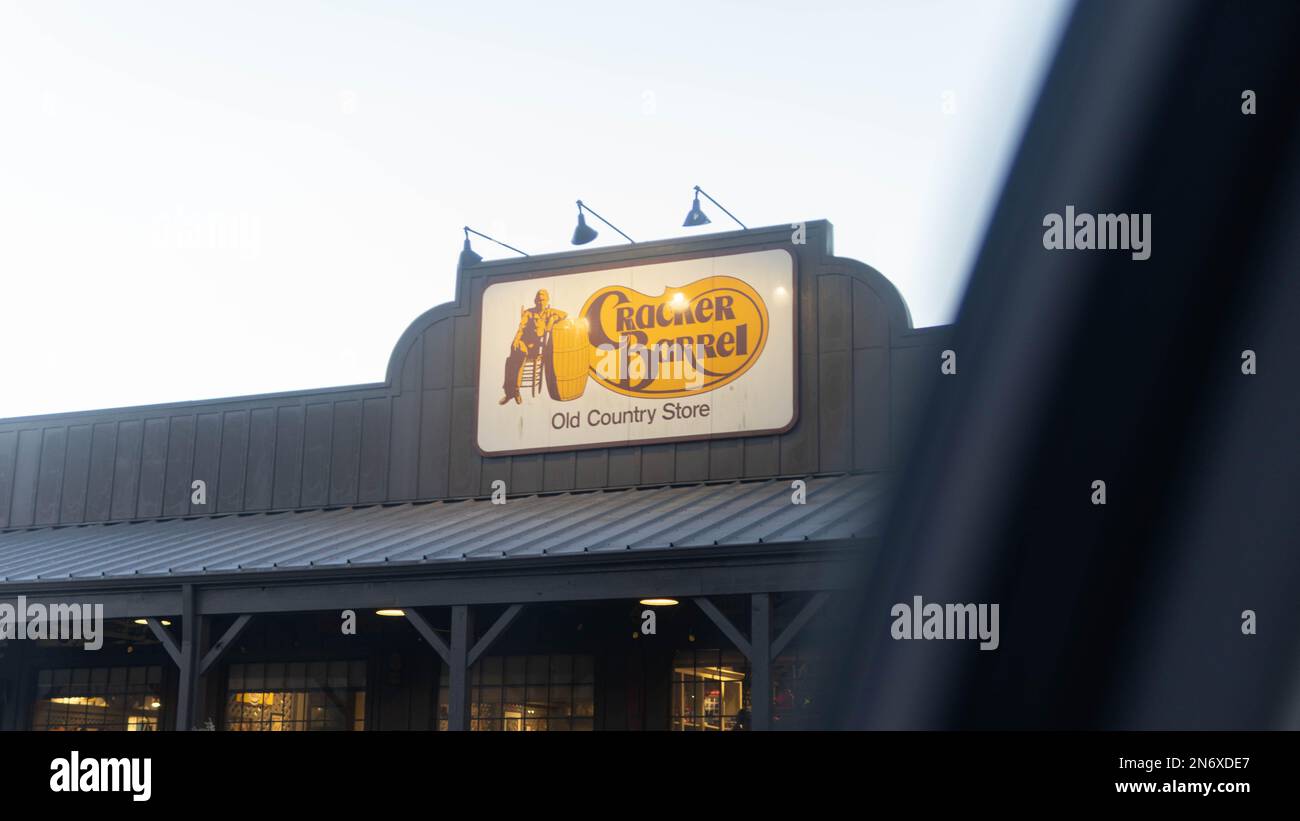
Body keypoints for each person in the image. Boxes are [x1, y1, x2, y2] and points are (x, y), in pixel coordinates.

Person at [500, 289, 567, 404]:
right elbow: (521, 328)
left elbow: (564, 314)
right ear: (535, 301)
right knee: (515, 355)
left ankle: (512, 392)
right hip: (524, 344)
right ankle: (513, 391)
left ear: (547, 301)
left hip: (536, 349)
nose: (541, 302)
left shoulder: (549, 312)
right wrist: (516, 339)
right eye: (538, 300)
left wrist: (552, 319)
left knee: (513, 360)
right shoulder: (528, 313)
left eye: (543, 300)